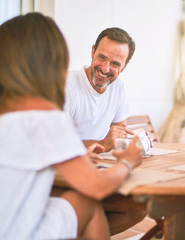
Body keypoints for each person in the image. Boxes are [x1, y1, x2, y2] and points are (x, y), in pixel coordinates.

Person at [0, 12, 143, 240]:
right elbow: (97, 186)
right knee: (90, 203)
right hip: (14, 232)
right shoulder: (43, 116)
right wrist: (127, 162)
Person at [63, 27, 148, 235]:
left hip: (95, 170)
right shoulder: (66, 85)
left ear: (125, 67)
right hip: (64, 175)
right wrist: (105, 143)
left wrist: (125, 143)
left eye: (115, 64)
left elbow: (120, 130)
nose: (105, 68)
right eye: (101, 57)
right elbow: (57, 146)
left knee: (138, 209)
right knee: (100, 206)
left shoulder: (118, 88)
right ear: (92, 52)